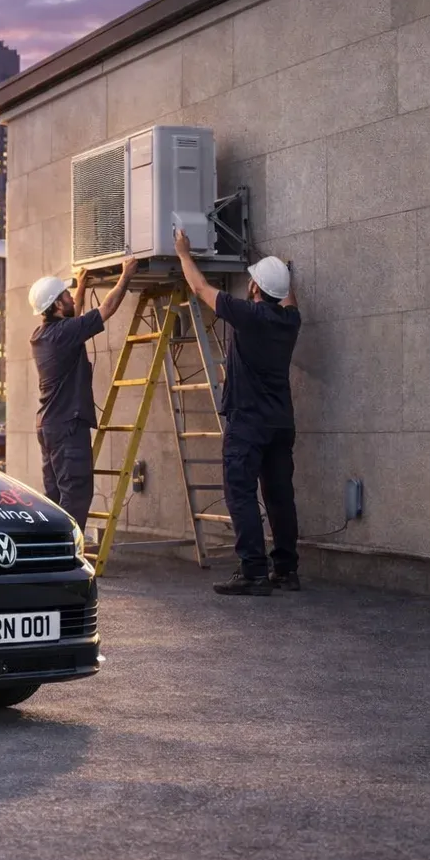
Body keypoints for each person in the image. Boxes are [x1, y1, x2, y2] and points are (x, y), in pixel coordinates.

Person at [173, 227, 302, 596]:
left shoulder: (248, 315)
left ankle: (253, 572)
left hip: (248, 422)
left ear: (255, 289)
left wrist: (183, 253)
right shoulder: (290, 321)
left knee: (240, 492)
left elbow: (199, 289)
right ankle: (286, 570)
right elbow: (288, 299)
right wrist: (282, 272)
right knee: (279, 495)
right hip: (281, 423)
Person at [28, 255, 138, 539]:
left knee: (55, 497)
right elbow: (107, 308)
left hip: (50, 426)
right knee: (75, 495)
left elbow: (72, 315)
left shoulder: (43, 334)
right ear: (54, 305)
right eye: (64, 295)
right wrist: (125, 275)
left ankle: (49, 551)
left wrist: (81, 283)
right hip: (67, 427)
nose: (69, 297)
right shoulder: (63, 333)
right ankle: (64, 554)